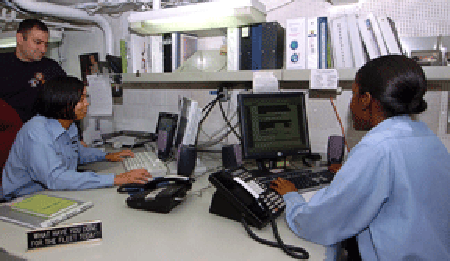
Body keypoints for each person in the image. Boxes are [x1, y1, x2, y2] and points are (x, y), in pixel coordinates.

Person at [271, 55, 450, 260]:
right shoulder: (427, 137)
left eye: (354, 94)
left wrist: (292, 197)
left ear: (365, 99)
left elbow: (320, 223)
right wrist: (352, 175)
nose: (351, 103)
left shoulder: (377, 148)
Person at [2, 76, 151, 200]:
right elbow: (55, 178)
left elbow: (76, 153)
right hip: (21, 198)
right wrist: (116, 179)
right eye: (81, 99)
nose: (86, 103)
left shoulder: (68, 123)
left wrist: (106, 156)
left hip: (50, 192)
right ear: (63, 101)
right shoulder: (36, 131)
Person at [0, 19, 66, 124]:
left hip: (43, 133)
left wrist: (78, 137)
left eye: (46, 44)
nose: (43, 49)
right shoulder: (3, 64)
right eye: (38, 42)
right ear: (20, 38)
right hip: (9, 135)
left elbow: (69, 102)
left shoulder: (52, 68)